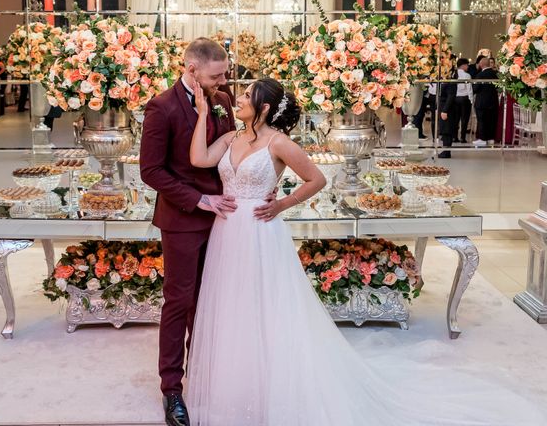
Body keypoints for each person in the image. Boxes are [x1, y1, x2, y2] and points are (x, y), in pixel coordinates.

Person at [185, 77, 546, 426]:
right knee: (231, 304)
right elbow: (199, 159)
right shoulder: (231, 137)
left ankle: (273, 379)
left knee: (268, 305)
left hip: (262, 230)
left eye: (247, 95)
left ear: (263, 107)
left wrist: (282, 204)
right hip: (228, 231)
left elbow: (317, 179)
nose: (239, 100)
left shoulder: (278, 143)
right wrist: (202, 113)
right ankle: (237, 378)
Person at [139, 37, 237, 426]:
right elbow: (151, 171)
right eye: (217, 74)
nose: (224, 80)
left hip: (224, 216)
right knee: (179, 302)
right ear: (191, 69)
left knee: (211, 299)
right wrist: (200, 200)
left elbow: (229, 150)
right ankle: (172, 389)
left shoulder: (225, 99)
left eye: (225, 72)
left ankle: (205, 370)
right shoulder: (161, 107)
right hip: (182, 219)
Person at [473, 55, 499, 146]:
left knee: (482, 120)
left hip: (482, 102)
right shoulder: (495, 74)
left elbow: (475, 88)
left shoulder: (480, 75)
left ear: (481, 64)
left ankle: (482, 139)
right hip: (493, 102)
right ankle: (490, 138)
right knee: (491, 120)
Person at [455, 57, 474, 143]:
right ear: (463, 65)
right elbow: (469, 89)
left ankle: (454, 136)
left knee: (456, 119)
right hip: (465, 98)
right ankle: (462, 137)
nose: (468, 67)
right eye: (467, 65)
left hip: (455, 98)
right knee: (464, 119)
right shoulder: (467, 75)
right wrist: (471, 100)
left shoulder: (454, 74)